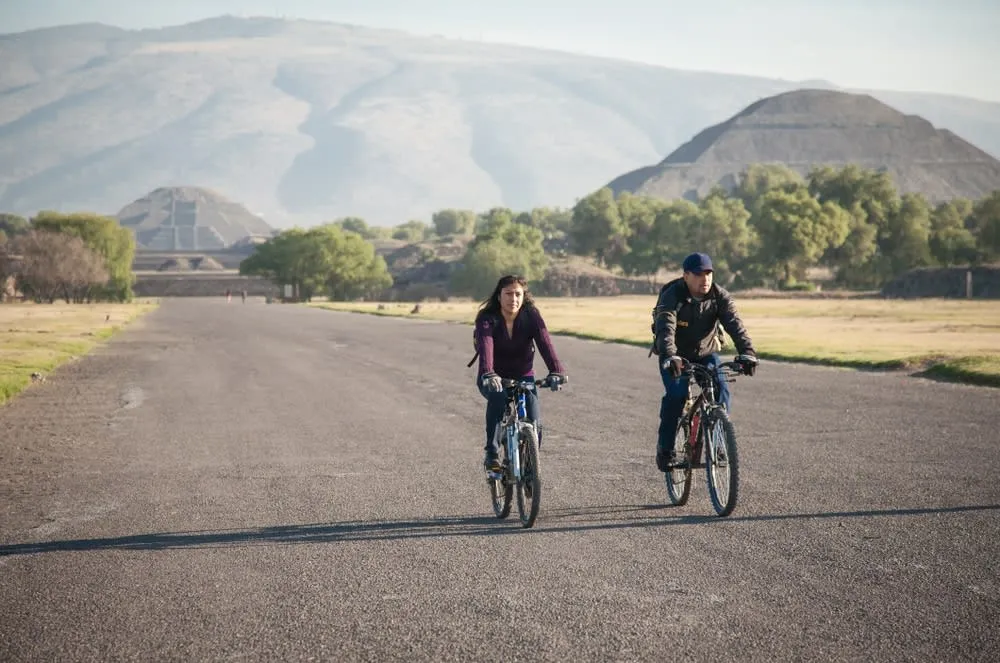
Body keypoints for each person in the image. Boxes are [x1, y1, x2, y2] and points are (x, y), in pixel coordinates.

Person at [652, 252, 758, 471]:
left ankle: (719, 442)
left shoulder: (720, 296)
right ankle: (666, 450)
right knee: (677, 395)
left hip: (706, 354)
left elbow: (735, 325)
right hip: (675, 356)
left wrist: (747, 352)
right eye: (699, 274)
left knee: (721, 390)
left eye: (709, 273)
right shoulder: (672, 295)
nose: (705, 279)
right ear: (686, 276)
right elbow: (665, 329)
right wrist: (670, 355)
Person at [473, 275, 567, 473]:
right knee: (498, 399)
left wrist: (556, 371)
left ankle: (529, 469)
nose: (513, 299)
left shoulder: (531, 315)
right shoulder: (487, 318)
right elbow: (486, 346)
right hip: (493, 377)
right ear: (499, 296)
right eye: (508, 294)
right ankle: (491, 455)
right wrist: (489, 373)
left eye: (518, 294)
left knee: (534, 422)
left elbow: (545, 343)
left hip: (524, 376)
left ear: (524, 296)